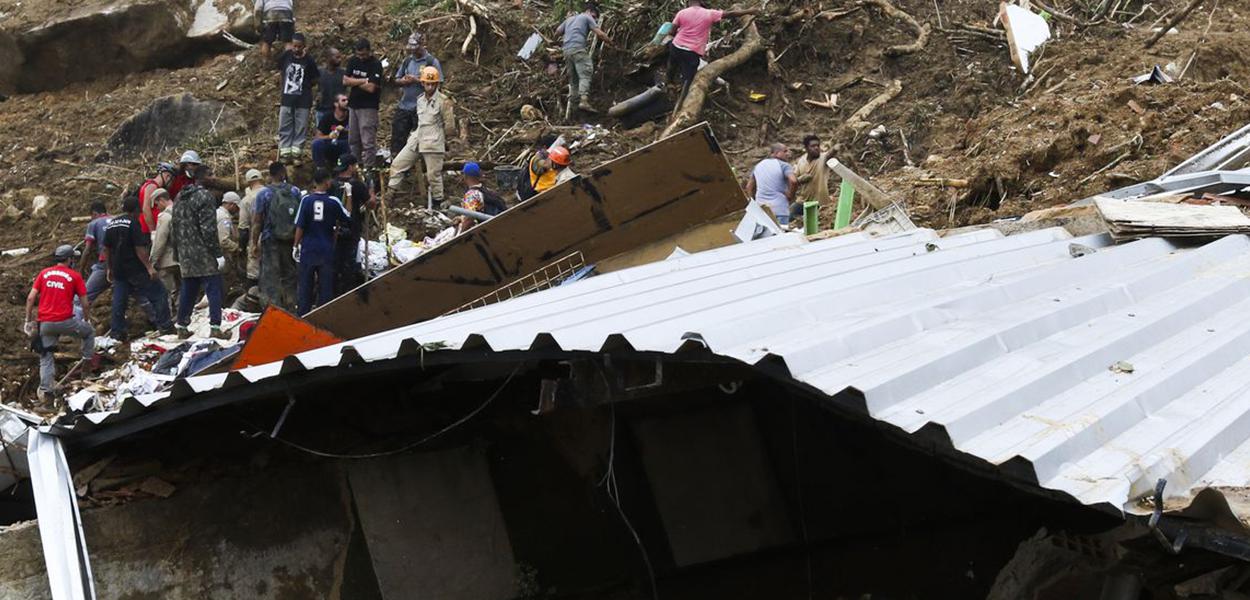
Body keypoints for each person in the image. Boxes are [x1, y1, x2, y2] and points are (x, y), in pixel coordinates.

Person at [26, 245, 95, 401]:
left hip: (45, 324)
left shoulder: (44, 273)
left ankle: (46, 394)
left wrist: (28, 320)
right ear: (69, 259)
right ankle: (86, 368)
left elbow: (31, 298)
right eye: (73, 258)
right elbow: (85, 303)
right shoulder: (74, 276)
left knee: (46, 356)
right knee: (89, 332)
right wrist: (86, 319)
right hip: (66, 321)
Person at [102, 195, 174, 340]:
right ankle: (165, 326)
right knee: (159, 293)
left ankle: (117, 332)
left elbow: (106, 248)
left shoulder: (112, 224)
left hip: (119, 269)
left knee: (119, 300)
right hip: (135, 268)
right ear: (136, 210)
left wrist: (109, 268)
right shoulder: (133, 224)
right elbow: (139, 248)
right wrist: (149, 267)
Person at [172, 165, 228, 340]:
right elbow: (208, 229)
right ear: (206, 177)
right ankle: (216, 327)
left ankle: (181, 326)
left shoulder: (180, 197)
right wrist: (217, 254)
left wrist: (177, 253)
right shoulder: (205, 197)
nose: (215, 178)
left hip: (185, 253)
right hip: (203, 253)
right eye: (213, 175)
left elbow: (175, 226)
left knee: (188, 289)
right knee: (214, 288)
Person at [388, 66, 455, 205]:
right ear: (422, 83)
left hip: (433, 139)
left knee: (433, 175)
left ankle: (438, 201)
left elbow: (450, 126)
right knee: (398, 164)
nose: (429, 86)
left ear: (437, 84)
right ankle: (390, 194)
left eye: (432, 84)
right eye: (427, 83)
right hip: (418, 136)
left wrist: (447, 142)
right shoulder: (420, 100)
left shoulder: (443, 102)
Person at [667, 0, 761, 91]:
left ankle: (670, 83)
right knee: (688, 77)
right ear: (701, 2)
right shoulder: (709, 13)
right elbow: (730, 14)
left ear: (688, 2)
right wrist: (749, 11)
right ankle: (684, 95)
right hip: (692, 51)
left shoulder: (681, 13)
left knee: (672, 64)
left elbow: (672, 32)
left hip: (676, 46)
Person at [294, 169, 351, 316]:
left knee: (305, 286)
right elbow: (348, 217)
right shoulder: (333, 202)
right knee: (325, 287)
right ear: (327, 182)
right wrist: (349, 195)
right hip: (326, 249)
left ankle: (302, 316)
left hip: (308, 249)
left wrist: (295, 245)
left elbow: (300, 226)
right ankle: (324, 317)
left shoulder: (306, 200)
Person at [252, 162, 301, 310]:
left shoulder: (263, 194)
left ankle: (272, 311)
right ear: (283, 173)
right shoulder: (295, 191)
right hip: (290, 240)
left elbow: (257, 222)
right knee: (290, 276)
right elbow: (300, 218)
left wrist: (254, 243)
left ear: (270, 175)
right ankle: (292, 307)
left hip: (270, 240)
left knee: (270, 278)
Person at [391, 33, 443, 158]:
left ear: (422, 46)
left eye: (416, 48)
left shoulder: (431, 62)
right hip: (405, 105)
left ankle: (421, 164)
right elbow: (396, 80)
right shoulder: (408, 60)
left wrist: (417, 80)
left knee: (421, 139)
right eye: (411, 49)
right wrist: (403, 81)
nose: (414, 51)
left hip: (422, 108)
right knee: (398, 136)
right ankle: (397, 160)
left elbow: (439, 83)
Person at [557, 4, 616, 113]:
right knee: (585, 72)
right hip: (578, 49)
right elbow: (599, 34)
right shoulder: (587, 17)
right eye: (594, 16)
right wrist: (611, 42)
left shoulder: (570, 19)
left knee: (574, 80)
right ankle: (584, 100)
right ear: (589, 11)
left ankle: (574, 109)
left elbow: (558, 31)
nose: (594, 19)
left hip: (567, 51)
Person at [276, 33, 320, 162]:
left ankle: (297, 153)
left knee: (301, 126)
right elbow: (280, 71)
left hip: (303, 100)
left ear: (304, 46)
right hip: (287, 98)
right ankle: (285, 153)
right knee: (285, 125)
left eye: (299, 46)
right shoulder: (286, 56)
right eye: (294, 46)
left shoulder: (309, 61)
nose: (296, 49)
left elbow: (315, 78)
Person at [334, 154, 372, 294]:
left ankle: (336, 292)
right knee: (349, 264)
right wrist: (371, 189)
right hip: (352, 228)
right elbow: (370, 203)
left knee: (336, 262)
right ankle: (347, 292)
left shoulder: (332, 183)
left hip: (334, 230)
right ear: (351, 166)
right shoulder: (356, 184)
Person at [344, 38, 384, 169]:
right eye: (359, 55)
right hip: (353, 105)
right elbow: (345, 81)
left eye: (364, 55)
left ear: (369, 51)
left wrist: (354, 81)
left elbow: (372, 87)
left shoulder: (376, 64)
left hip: (368, 107)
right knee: (353, 139)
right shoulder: (353, 61)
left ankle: (369, 168)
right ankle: (355, 166)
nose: (361, 58)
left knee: (367, 141)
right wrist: (363, 81)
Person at [746, 143, 798, 225]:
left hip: (762, 210)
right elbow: (793, 181)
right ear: (776, 153)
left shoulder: (758, 166)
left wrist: (753, 203)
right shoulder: (784, 165)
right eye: (785, 151)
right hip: (780, 209)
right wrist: (790, 195)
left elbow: (749, 187)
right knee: (781, 236)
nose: (788, 154)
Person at [147, 189, 179, 312]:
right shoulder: (182, 211)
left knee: (166, 294)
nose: (157, 208)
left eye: (156, 204)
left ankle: (169, 321)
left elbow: (159, 242)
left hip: (167, 261)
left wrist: (152, 262)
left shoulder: (165, 216)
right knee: (183, 292)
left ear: (161, 200)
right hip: (184, 259)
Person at [456, 162, 507, 233]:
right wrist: (461, 218)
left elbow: (469, 219)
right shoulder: (488, 191)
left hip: (480, 232)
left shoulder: (471, 194)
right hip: (493, 227)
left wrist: (460, 236)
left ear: (465, 176)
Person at [80, 201, 112, 302]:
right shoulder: (117, 219)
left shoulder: (94, 224)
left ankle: (80, 317)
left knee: (81, 299)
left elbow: (87, 250)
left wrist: (81, 271)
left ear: (94, 214)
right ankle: (156, 315)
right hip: (124, 262)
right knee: (140, 296)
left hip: (105, 263)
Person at [239, 169, 265, 285]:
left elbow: (243, 229)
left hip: (256, 239)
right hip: (274, 238)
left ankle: (254, 299)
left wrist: (242, 248)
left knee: (254, 274)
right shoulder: (272, 193)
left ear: (248, 182)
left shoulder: (246, 200)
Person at [312, 93, 351, 168]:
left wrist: (345, 130)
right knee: (316, 144)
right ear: (336, 104)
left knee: (350, 145)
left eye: (347, 100)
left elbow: (358, 133)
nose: (347, 102)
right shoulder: (327, 116)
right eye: (343, 100)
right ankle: (320, 169)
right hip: (331, 144)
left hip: (345, 145)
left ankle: (344, 169)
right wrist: (329, 136)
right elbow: (318, 136)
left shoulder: (351, 116)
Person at [137, 162, 175, 234]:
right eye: (171, 179)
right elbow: (146, 209)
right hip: (147, 229)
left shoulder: (152, 185)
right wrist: (153, 231)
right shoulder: (152, 186)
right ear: (167, 176)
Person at [315, 47, 345, 124]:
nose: (340, 59)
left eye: (340, 57)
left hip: (338, 111)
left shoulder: (343, 73)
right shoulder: (319, 72)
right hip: (322, 110)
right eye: (337, 57)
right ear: (329, 58)